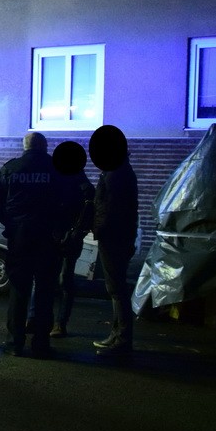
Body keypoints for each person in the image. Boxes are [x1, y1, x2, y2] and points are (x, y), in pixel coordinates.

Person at [0, 132, 69, 358]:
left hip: (19, 238)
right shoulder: (57, 168)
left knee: (18, 290)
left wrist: (11, 222)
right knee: (44, 291)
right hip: (48, 239)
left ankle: (14, 343)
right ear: (44, 147)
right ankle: (41, 344)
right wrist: (60, 227)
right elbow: (71, 201)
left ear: (24, 146)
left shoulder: (11, 168)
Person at [90, 125, 139, 356]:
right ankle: (118, 335)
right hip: (120, 236)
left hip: (113, 238)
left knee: (116, 288)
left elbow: (108, 208)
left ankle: (121, 338)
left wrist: (98, 229)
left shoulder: (115, 173)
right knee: (116, 288)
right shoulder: (122, 171)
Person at [50, 141, 95, 338]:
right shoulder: (75, 180)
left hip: (67, 235)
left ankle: (59, 322)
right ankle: (52, 322)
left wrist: (77, 232)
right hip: (62, 234)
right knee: (59, 278)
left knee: (63, 278)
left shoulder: (80, 183)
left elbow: (87, 211)